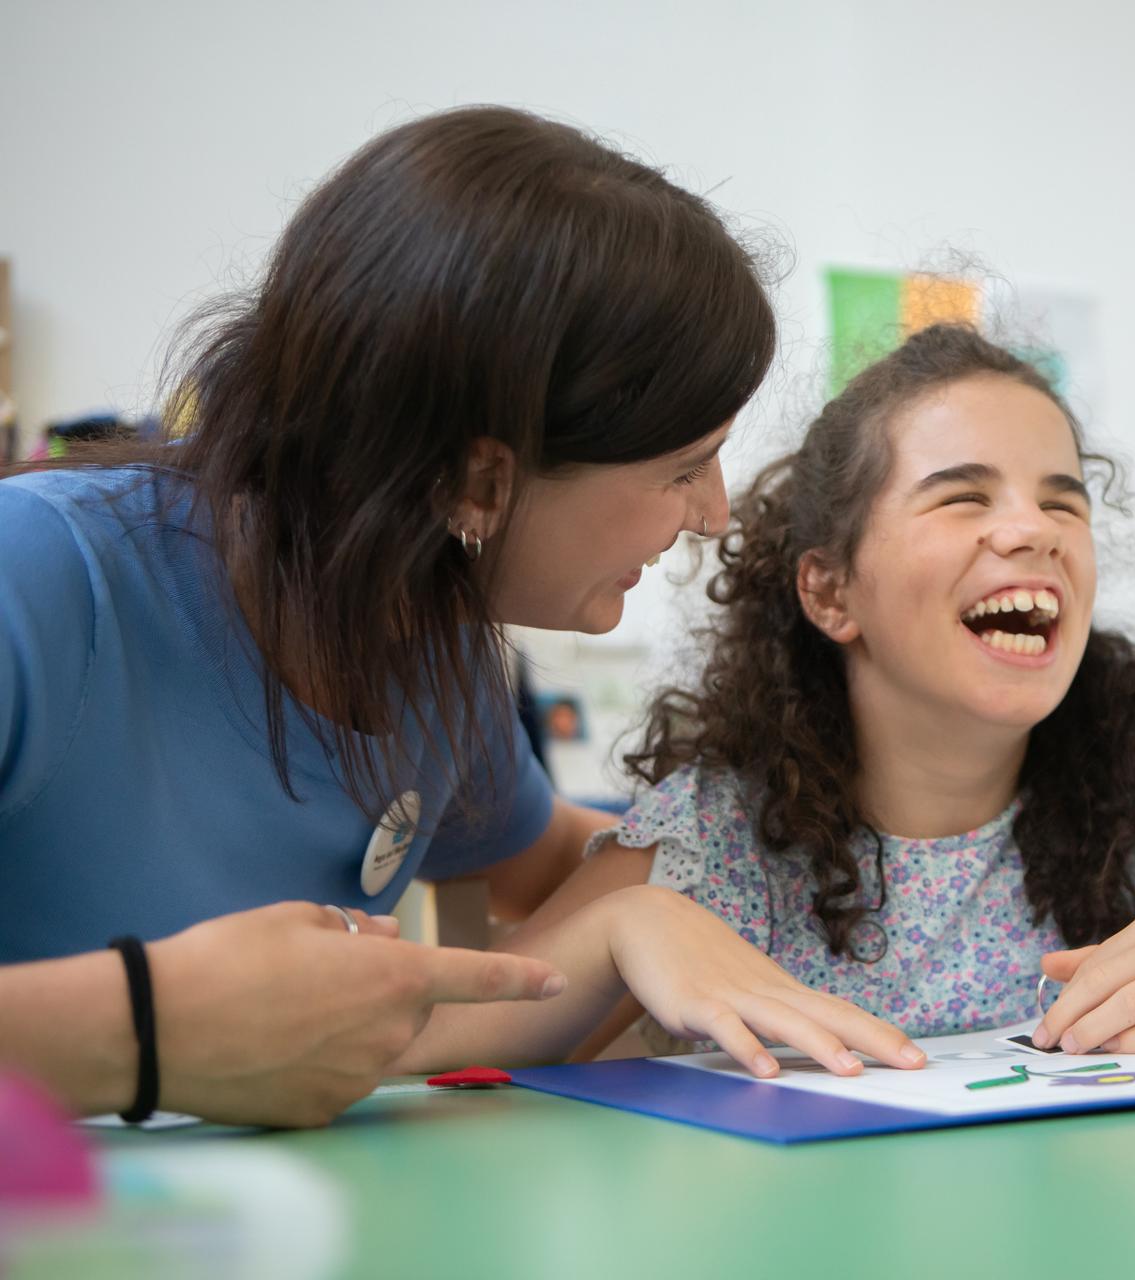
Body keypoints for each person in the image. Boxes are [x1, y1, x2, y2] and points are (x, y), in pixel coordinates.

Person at [0, 106, 919, 1128]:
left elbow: (562, 863)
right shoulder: (36, 577)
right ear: (477, 480)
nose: (715, 512)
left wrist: (888, 872)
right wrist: (149, 1030)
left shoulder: (434, 659)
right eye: (683, 467)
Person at [397, 323, 1135, 1077]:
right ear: (830, 590)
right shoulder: (709, 846)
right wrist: (616, 928)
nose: (1031, 528)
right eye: (961, 497)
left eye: (1062, 500)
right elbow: (433, 1057)